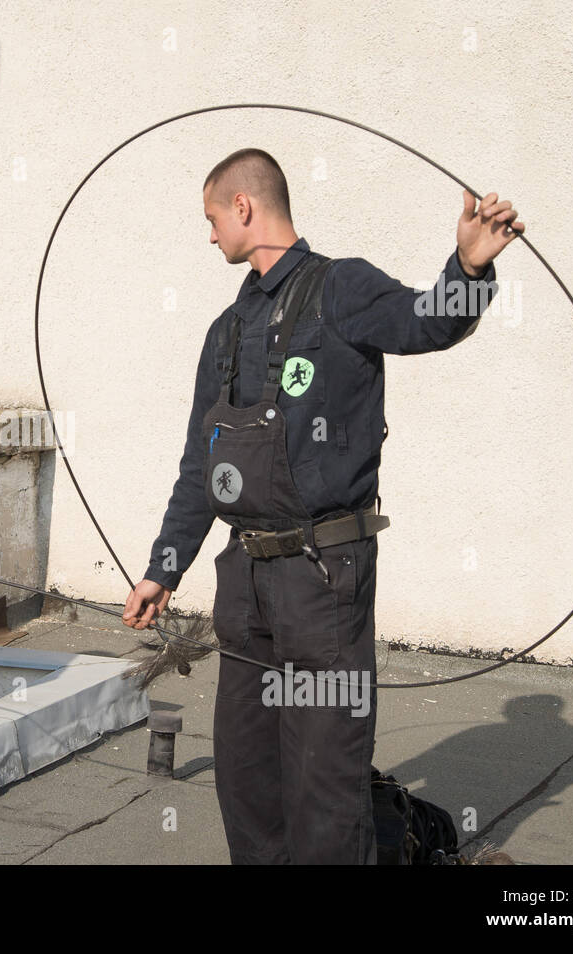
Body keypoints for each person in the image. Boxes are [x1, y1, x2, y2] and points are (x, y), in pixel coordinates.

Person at [121, 149, 523, 864]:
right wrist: (164, 568)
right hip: (243, 585)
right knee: (249, 782)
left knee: (326, 788)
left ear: (243, 206)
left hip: (323, 577)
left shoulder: (342, 288)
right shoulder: (225, 332)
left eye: (211, 218)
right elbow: (200, 468)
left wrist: (467, 271)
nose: (209, 235)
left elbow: (427, 324)